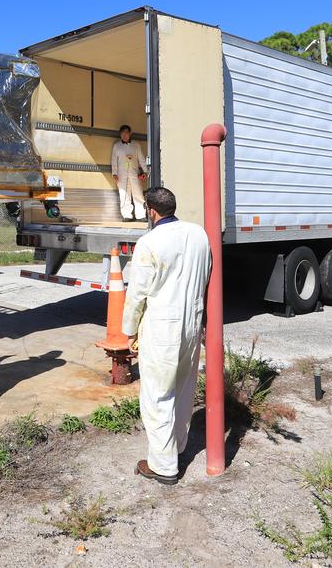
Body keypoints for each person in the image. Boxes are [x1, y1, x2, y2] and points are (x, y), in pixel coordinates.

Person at [122, 185, 212, 485]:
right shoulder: (198, 234)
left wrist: (129, 331)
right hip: (191, 324)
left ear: (150, 210)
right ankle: (178, 447)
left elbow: (137, 294)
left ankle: (163, 466)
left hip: (162, 328)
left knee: (158, 396)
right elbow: (207, 275)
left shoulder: (148, 243)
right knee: (184, 390)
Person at [111, 124, 148, 221]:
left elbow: (141, 159)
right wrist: (114, 173)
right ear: (120, 135)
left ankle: (141, 215)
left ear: (130, 134)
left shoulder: (136, 145)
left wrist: (145, 171)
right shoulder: (117, 146)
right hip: (121, 175)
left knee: (138, 194)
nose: (124, 135)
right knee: (124, 194)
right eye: (122, 133)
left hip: (134, 173)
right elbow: (114, 160)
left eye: (126, 133)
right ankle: (127, 215)